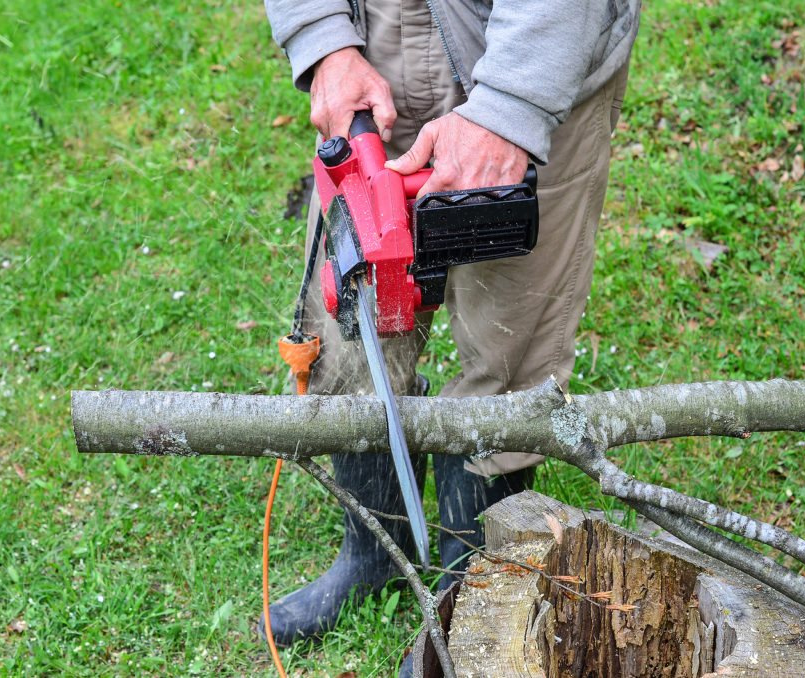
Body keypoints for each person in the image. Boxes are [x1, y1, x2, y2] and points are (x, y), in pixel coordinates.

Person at [262, 0, 640, 650]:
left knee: (507, 362)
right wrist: (323, 38)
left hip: (539, 51)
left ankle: (466, 609)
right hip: (377, 47)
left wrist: (511, 107)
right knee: (355, 332)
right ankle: (374, 553)